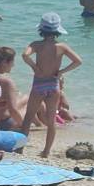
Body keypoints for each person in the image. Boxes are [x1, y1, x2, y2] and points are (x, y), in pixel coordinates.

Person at [20, 13, 82, 158]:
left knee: (28, 118)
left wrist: (34, 67)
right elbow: (78, 61)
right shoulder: (62, 47)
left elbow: (24, 55)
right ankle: (46, 151)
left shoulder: (36, 45)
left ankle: (20, 149)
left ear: (41, 29)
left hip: (39, 84)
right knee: (51, 120)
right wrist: (61, 72)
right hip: (53, 85)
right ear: (57, 30)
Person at [0, 46, 28, 130]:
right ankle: (40, 125)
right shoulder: (6, 82)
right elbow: (13, 110)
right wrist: (23, 126)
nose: (13, 65)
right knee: (29, 106)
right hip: (3, 124)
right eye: (12, 62)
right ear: (4, 62)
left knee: (24, 97)